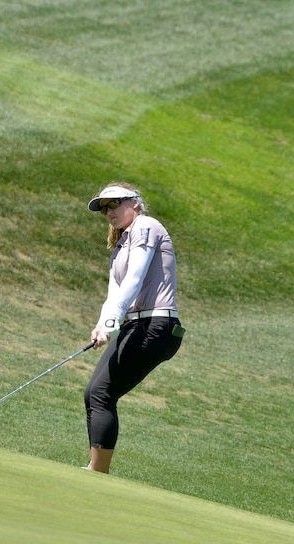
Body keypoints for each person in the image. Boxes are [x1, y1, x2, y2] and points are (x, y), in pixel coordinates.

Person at [83, 181, 184, 473]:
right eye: (104, 207)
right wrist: (103, 323)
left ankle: (98, 472)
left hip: (158, 325)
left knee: (103, 394)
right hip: (137, 324)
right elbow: (116, 291)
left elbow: (135, 279)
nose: (109, 211)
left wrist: (113, 321)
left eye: (115, 203)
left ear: (135, 203)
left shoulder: (147, 226)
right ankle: (95, 467)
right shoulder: (120, 244)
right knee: (93, 393)